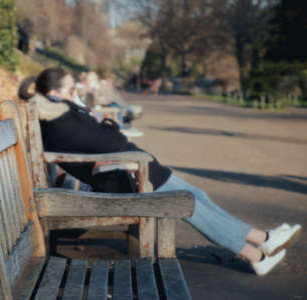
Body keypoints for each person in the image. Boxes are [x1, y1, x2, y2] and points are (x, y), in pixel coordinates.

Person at [18, 67, 302, 276]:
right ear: (53, 94)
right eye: (70, 90)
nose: (75, 94)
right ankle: (254, 251)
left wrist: (106, 126)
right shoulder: (58, 121)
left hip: (127, 167)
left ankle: (261, 240)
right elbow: (109, 138)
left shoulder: (60, 112)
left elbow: (104, 133)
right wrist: (108, 127)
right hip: (121, 178)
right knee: (190, 203)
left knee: (196, 194)